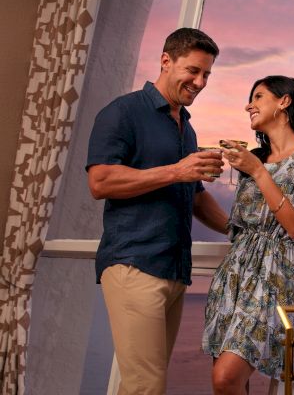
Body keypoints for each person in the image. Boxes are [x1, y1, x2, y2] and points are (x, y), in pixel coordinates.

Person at [86, 28, 228, 394]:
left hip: (174, 271)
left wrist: (240, 229)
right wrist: (178, 171)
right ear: (166, 61)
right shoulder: (123, 112)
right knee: (146, 386)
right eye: (193, 71)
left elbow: (195, 198)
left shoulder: (187, 129)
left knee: (141, 385)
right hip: (134, 264)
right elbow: (100, 182)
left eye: (206, 75)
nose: (199, 82)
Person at [202, 75, 294, 394]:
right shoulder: (256, 161)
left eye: (258, 96)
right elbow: (241, 226)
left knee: (226, 378)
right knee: (231, 382)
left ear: (284, 101)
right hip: (234, 275)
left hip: (276, 277)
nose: (249, 105)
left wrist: (257, 172)